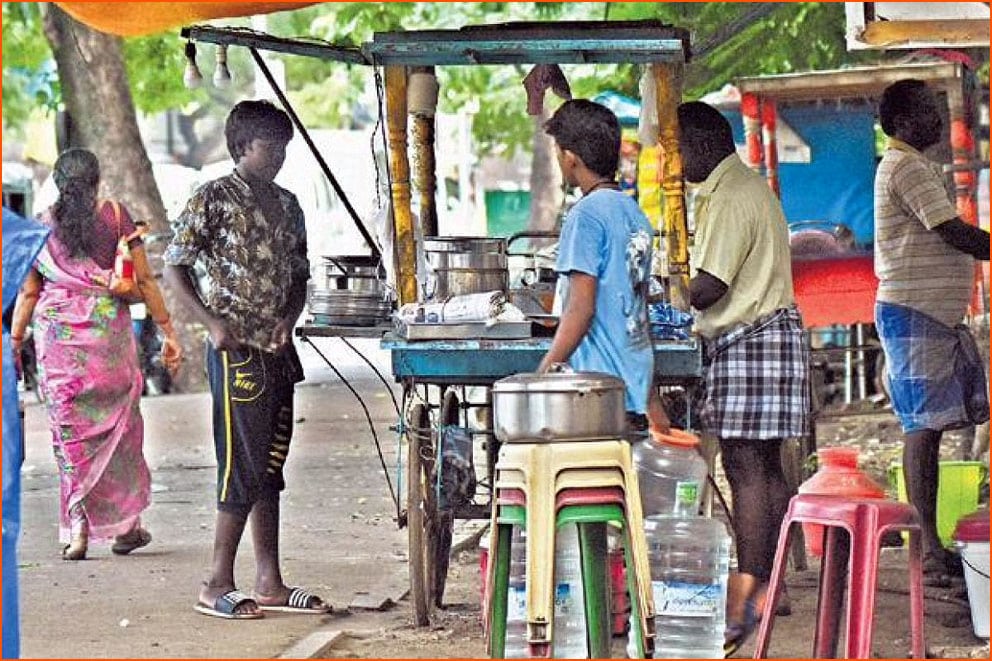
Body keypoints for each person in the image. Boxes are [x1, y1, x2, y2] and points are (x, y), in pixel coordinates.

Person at [164, 100, 330, 620]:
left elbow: (300, 275)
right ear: (241, 147)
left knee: (271, 468)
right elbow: (176, 267)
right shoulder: (212, 197)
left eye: (284, 147)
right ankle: (215, 582)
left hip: (279, 351)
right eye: (268, 147)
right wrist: (211, 323)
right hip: (237, 352)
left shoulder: (290, 203)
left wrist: (290, 316)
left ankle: (270, 580)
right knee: (242, 465)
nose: (278, 156)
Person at [676, 101, 811, 656]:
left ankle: (755, 588)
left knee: (747, 466)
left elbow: (709, 287)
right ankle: (766, 582)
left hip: (751, 337)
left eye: (678, 148)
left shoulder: (733, 195)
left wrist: (658, 292)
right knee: (761, 466)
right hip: (762, 336)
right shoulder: (736, 189)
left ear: (705, 144)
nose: (674, 160)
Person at [9, 148, 183, 561]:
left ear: (57, 183)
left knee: (69, 437)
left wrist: (14, 342)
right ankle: (126, 529)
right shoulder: (117, 216)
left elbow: (30, 291)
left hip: (59, 346)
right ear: (97, 180)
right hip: (110, 341)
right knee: (121, 434)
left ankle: (78, 532)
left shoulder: (41, 228)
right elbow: (143, 279)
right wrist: (168, 331)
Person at [874, 79, 990, 577]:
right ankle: (924, 547)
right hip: (915, 314)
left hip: (929, 316)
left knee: (932, 428)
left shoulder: (910, 165)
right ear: (901, 123)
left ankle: (928, 543)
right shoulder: (905, 165)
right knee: (922, 429)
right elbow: (951, 230)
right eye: (927, 112)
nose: (938, 122)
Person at [537, 98, 670, 436]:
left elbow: (581, 309)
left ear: (570, 158)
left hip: (598, 393)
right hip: (635, 390)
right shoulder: (634, 213)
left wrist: (544, 371)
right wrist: (651, 396)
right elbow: (637, 309)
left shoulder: (585, 216)